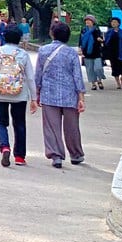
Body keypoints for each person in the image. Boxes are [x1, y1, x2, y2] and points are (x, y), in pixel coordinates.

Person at [0, 26, 39, 167]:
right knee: (19, 123)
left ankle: (5, 147)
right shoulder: (23, 54)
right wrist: (34, 98)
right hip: (19, 94)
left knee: (0, 122)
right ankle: (19, 156)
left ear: (4, 37)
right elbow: (30, 78)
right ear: (19, 38)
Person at [37, 21, 87, 168]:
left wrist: (37, 92)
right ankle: (76, 154)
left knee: (51, 127)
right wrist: (81, 97)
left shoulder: (43, 51)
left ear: (52, 33)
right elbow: (77, 75)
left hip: (48, 93)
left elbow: (38, 74)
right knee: (72, 126)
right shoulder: (71, 53)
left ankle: (56, 155)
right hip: (69, 95)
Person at [102, 16, 122, 89]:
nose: (113, 23)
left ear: (118, 23)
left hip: (121, 52)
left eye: (115, 22)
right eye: (112, 22)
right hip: (112, 53)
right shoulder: (109, 32)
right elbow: (106, 42)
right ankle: (118, 83)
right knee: (114, 68)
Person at [78, 14, 105, 91]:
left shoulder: (96, 30)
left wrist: (100, 39)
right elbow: (81, 40)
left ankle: (99, 80)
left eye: (89, 21)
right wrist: (80, 49)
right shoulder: (83, 30)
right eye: (86, 21)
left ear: (93, 22)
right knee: (89, 69)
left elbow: (101, 38)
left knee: (98, 68)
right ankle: (93, 83)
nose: (87, 22)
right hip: (87, 52)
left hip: (96, 52)